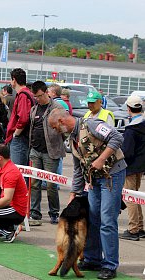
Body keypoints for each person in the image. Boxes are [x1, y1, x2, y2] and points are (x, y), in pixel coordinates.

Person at [48, 108, 126, 280]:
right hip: (93, 180)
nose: (55, 131)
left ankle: (110, 265)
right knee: (92, 219)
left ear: (61, 121)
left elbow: (117, 137)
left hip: (112, 175)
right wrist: (74, 192)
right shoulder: (73, 139)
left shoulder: (91, 124)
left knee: (107, 221)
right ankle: (92, 259)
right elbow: (78, 169)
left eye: (55, 127)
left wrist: (102, 158)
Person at [28, 81, 65, 226]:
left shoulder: (57, 108)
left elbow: (65, 128)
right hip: (35, 151)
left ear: (46, 92)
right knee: (34, 183)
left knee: (51, 185)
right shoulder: (34, 109)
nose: (37, 99)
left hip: (51, 152)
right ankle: (35, 212)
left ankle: (54, 212)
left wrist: (58, 141)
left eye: (39, 96)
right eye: (35, 96)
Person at [119, 95, 145, 241]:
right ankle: (140, 227)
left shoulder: (131, 129)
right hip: (140, 166)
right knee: (136, 196)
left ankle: (133, 228)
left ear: (129, 109)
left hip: (130, 166)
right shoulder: (143, 124)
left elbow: (127, 151)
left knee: (130, 198)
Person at [5, 68, 34, 168]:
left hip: (20, 139)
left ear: (14, 80)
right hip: (21, 137)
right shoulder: (26, 94)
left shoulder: (23, 95)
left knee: (18, 170)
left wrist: (16, 134)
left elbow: (23, 118)